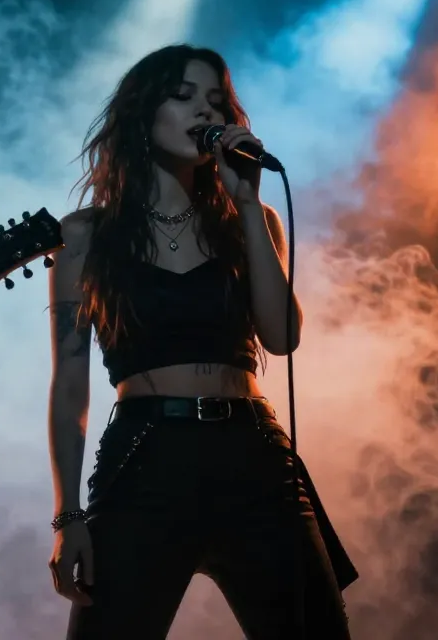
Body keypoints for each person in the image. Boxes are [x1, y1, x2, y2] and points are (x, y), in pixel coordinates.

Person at [45, 44, 357, 639]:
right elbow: (68, 387)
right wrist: (67, 517)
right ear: (142, 114)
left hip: (253, 453)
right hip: (146, 454)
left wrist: (247, 205)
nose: (204, 112)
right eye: (183, 96)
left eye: (216, 101)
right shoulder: (85, 236)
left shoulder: (252, 221)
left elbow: (282, 338)